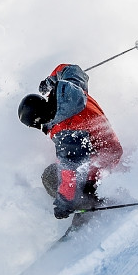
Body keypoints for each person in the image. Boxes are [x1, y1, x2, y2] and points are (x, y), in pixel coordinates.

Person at [18, 64, 123, 219]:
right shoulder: (69, 89)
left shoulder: (65, 130)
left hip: (105, 160)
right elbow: (69, 69)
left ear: (38, 120)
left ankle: (87, 205)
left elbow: (70, 169)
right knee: (59, 166)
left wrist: (64, 204)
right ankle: (82, 197)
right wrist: (49, 81)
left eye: (36, 125)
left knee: (51, 176)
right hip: (107, 147)